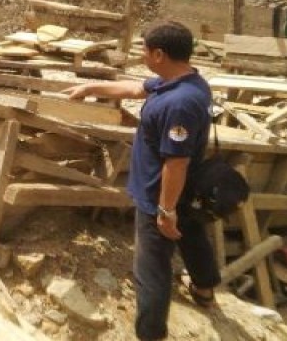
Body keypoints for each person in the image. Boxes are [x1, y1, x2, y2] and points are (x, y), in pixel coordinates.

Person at [65, 21, 220, 340]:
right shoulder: (185, 81)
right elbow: (135, 89)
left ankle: (150, 334)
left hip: (159, 195)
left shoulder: (179, 104)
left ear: (160, 54)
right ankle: (204, 290)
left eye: (144, 51)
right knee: (191, 236)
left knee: (151, 271)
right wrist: (90, 88)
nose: (142, 56)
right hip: (185, 191)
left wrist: (164, 210)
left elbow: (176, 162)